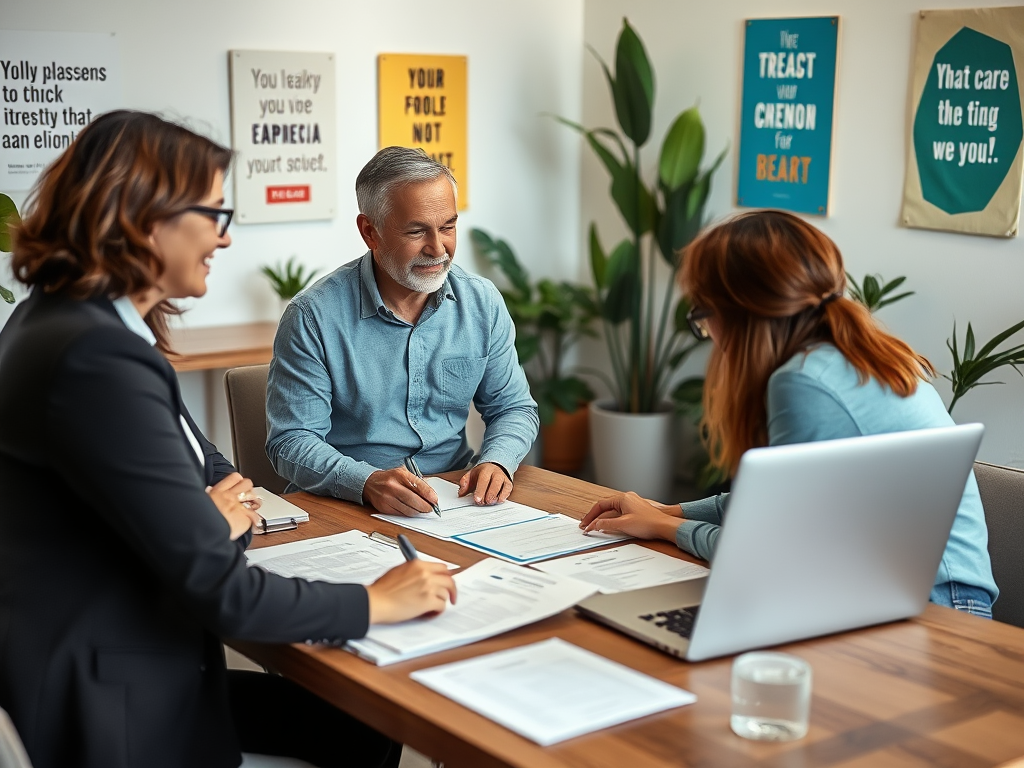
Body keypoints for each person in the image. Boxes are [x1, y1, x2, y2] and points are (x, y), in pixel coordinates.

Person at [0, 111, 456, 768]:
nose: (224, 239)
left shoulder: (61, 321)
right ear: (146, 216)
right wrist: (375, 599)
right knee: (365, 723)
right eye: (215, 214)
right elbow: (225, 593)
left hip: (100, 663)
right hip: (116, 707)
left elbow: (197, 469)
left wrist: (209, 523)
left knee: (359, 724)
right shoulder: (94, 359)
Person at [581, 210, 997, 618]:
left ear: (740, 313)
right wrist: (667, 511)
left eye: (704, 316)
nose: (711, 338)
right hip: (900, 590)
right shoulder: (846, 356)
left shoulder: (804, 382)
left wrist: (663, 528)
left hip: (939, 611)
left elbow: (768, 560)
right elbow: (769, 503)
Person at [267, 146, 539, 517]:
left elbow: (514, 408)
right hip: (347, 506)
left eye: (448, 227)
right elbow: (291, 441)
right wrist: (365, 482)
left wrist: (497, 461)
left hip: (456, 503)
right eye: (416, 231)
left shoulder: (482, 302)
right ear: (370, 232)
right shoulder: (312, 316)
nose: (438, 248)